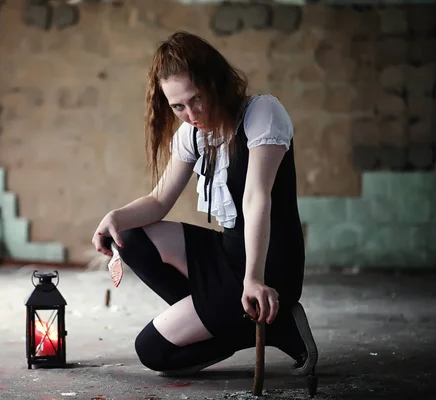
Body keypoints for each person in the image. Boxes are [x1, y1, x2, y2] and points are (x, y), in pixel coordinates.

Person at [91, 31, 318, 377]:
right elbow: (157, 200)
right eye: (177, 106)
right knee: (130, 237)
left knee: (152, 350)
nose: (190, 113)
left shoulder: (262, 114)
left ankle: (254, 309)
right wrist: (113, 217)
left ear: (216, 82)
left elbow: (258, 197)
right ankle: (266, 324)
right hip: (226, 254)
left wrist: (254, 278)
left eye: (196, 99)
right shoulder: (194, 134)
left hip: (269, 264)